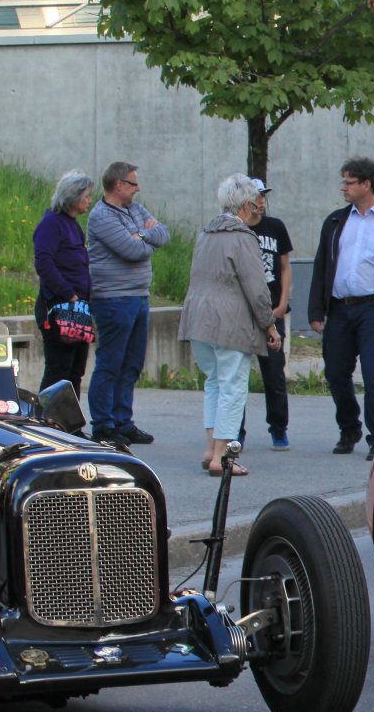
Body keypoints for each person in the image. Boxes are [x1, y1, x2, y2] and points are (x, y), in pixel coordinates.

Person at [306, 155, 374, 460]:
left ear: (367, 184)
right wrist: (316, 310)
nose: (343, 187)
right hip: (340, 308)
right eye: (343, 181)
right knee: (336, 373)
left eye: (349, 182)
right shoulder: (335, 222)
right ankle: (349, 427)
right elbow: (321, 266)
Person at [178, 174, 279, 477]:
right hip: (230, 323)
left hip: (198, 319)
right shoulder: (243, 237)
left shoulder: (206, 233)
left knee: (214, 383)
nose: (257, 208)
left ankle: (211, 448)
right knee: (233, 388)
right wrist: (269, 326)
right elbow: (257, 289)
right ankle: (223, 457)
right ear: (245, 205)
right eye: (255, 204)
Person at [87, 161, 168, 448]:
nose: (138, 188)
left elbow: (163, 234)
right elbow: (130, 250)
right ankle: (103, 425)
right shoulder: (101, 216)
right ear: (119, 185)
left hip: (139, 296)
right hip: (113, 299)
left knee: (132, 364)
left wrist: (143, 235)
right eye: (133, 184)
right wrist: (145, 239)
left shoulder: (135, 209)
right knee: (111, 363)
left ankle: (123, 421)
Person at [32, 169, 94, 396]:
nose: (89, 200)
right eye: (86, 196)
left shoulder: (73, 225)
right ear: (73, 197)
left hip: (78, 308)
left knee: (75, 372)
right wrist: (68, 294)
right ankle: (47, 417)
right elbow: (44, 263)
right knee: (59, 370)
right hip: (59, 307)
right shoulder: (51, 224)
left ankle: (70, 417)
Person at [247, 178, 294, 450]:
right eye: (257, 196)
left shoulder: (275, 227)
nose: (261, 201)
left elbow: (285, 267)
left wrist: (283, 302)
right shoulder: (237, 229)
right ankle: (235, 433)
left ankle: (278, 428)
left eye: (263, 196)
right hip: (244, 315)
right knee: (237, 377)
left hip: (272, 309)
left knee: (274, 374)